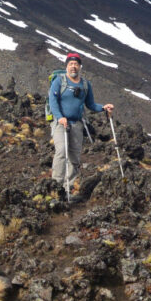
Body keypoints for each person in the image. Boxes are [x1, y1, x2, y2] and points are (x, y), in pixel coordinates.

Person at [49, 52, 114, 196]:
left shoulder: (85, 84)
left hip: (77, 124)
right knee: (61, 151)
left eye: (76, 64)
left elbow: (90, 104)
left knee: (74, 157)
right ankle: (55, 188)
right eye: (71, 64)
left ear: (80, 67)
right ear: (66, 66)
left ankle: (68, 188)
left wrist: (103, 107)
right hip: (60, 124)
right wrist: (59, 117)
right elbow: (52, 102)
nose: (73, 67)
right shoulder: (59, 81)